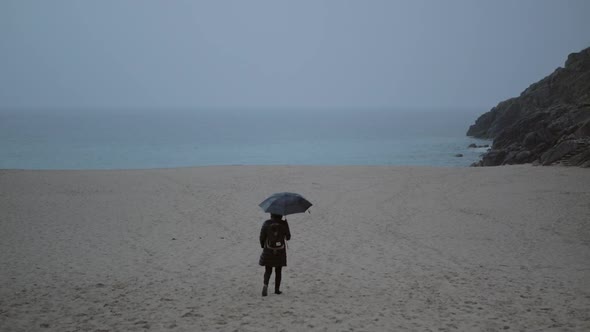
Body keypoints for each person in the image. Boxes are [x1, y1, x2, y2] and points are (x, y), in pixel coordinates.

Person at [259, 213, 291, 296]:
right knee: (278, 270)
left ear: (271, 214)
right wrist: (286, 224)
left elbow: (262, 236)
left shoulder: (266, 223)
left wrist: (263, 245)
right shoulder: (283, 223)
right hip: (280, 250)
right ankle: (277, 290)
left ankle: (265, 284)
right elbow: (288, 237)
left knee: (268, 269)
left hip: (268, 249)